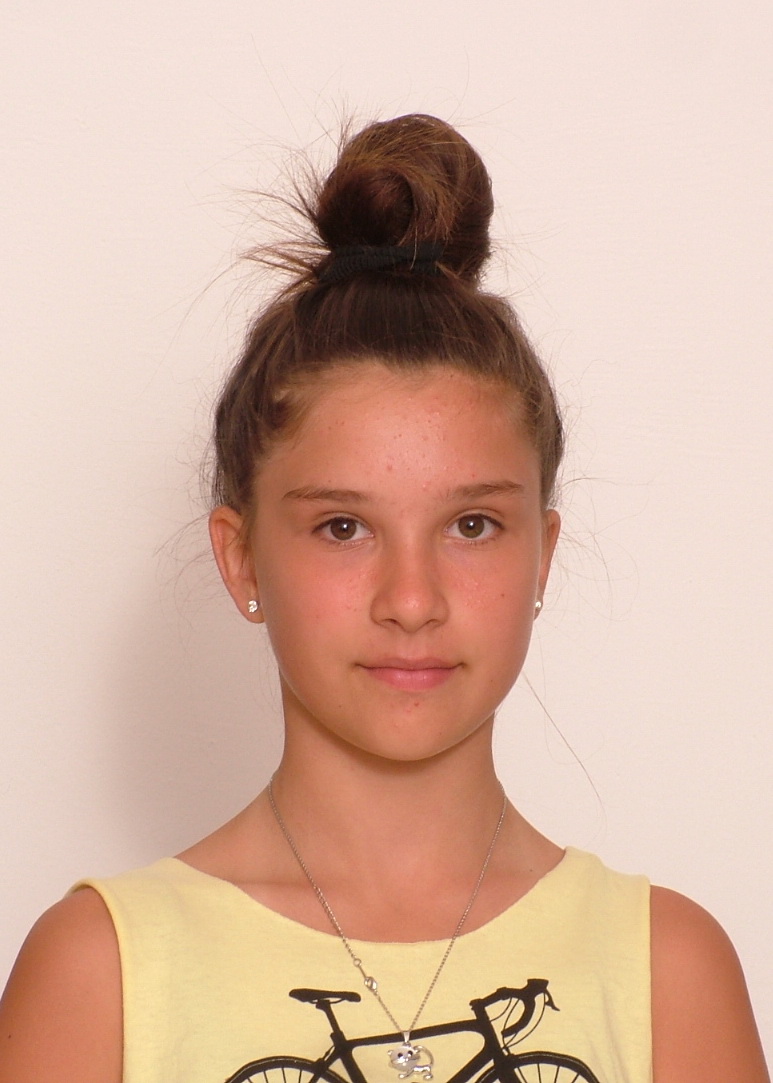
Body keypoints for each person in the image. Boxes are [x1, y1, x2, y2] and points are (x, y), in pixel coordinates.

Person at [0, 114, 768, 1083]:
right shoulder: (101, 976)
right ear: (241, 560)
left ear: (542, 555)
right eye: (342, 527)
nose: (411, 599)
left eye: (471, 525)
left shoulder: (667, 975)